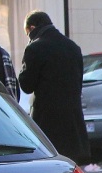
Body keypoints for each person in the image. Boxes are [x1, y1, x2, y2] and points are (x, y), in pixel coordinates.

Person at [17, 10, 89, 164]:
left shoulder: (35, 48)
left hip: (46, 121)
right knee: (69, 169)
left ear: (31, 28)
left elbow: (26, 85)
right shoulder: (73, 47)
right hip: (72, 122)